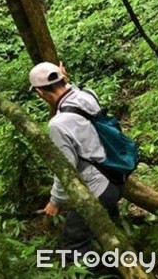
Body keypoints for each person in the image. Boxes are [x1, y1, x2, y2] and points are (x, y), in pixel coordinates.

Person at [29, 62, 122, 264]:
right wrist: (63, 78)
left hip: (97, 191)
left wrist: (55, 201)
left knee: (72, 247)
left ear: (40, 92)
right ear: (64, 79)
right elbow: (75, 92)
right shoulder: (88, 95)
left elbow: (66, 170)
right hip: (114, 178)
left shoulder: (58, 124)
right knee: (111, 231)